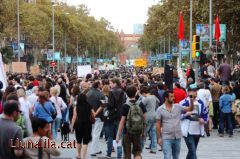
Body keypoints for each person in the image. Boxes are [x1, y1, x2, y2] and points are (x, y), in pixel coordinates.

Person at [156, 90, 194, 159]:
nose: (173, 98)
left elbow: (190, 109)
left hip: (177, 137)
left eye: (173, 96)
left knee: (176, 156)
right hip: (166, 137)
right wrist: (159, 138)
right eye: (171, 96)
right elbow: (158, 124)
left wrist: (191, 100)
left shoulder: (178, 106)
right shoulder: (160, 109)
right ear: (166, 98)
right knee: (167, 156)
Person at [116, 85, 146, 159]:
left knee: (127, 154)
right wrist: (143, 131)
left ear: (126, 94)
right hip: (138, 131)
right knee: (137, 151)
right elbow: (144, 119)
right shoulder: (141, 104)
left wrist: (118, 135)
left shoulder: (125, 106)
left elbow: (122, 122)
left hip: (127, 132)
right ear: (136, 93)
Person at [179, 84, 209, 159]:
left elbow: (205, 114)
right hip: (187, 130)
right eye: (193, 91)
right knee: (192, 150)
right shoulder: (183, 103)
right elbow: (177, 116)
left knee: (192, 150)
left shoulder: (201, 102)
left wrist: (203, 120)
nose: (195, 92)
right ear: (188, 92)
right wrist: (186, 114)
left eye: (196, 90)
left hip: (197, 130)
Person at [104, 78, 126, 158]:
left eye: (111, 83)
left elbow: (111, 105)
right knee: (119, 137)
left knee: (110, 136)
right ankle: (119, 155)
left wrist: (105, 104)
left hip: (112, 116)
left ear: (115, 83)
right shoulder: (122, 91)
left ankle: (109, 153)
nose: (110, 84)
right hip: (120, 116)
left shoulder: (111, 92)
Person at [71, 93, 94, 159]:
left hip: (78, 124)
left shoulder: (76, 106)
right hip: (87, 124)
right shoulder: (89, 106)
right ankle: (83, 156)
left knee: (78, 140)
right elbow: (94, 114)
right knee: (85, 141)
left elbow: (74, 117)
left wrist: (72, 127)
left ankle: (78, 155)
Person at [86, 81, 105, 156]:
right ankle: (93, 151)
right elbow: (103, 105)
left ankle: (96, 149)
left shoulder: (87, 94)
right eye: (100, 84)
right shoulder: (101, 94)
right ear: (98, 85)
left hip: (89, 116)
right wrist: (96, 113)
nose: (101, 85)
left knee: (93, 132)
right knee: (96, 133)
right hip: (99, 116)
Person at [141, 86, 159, 154]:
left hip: (147, 117)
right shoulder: (154, 96)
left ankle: (141, 147)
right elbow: (159, 101)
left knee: (144, 133)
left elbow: (141, 106)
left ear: (143, 93)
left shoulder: (146, 99)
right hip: (154, 115)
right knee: (154, 133)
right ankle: (154, 148)